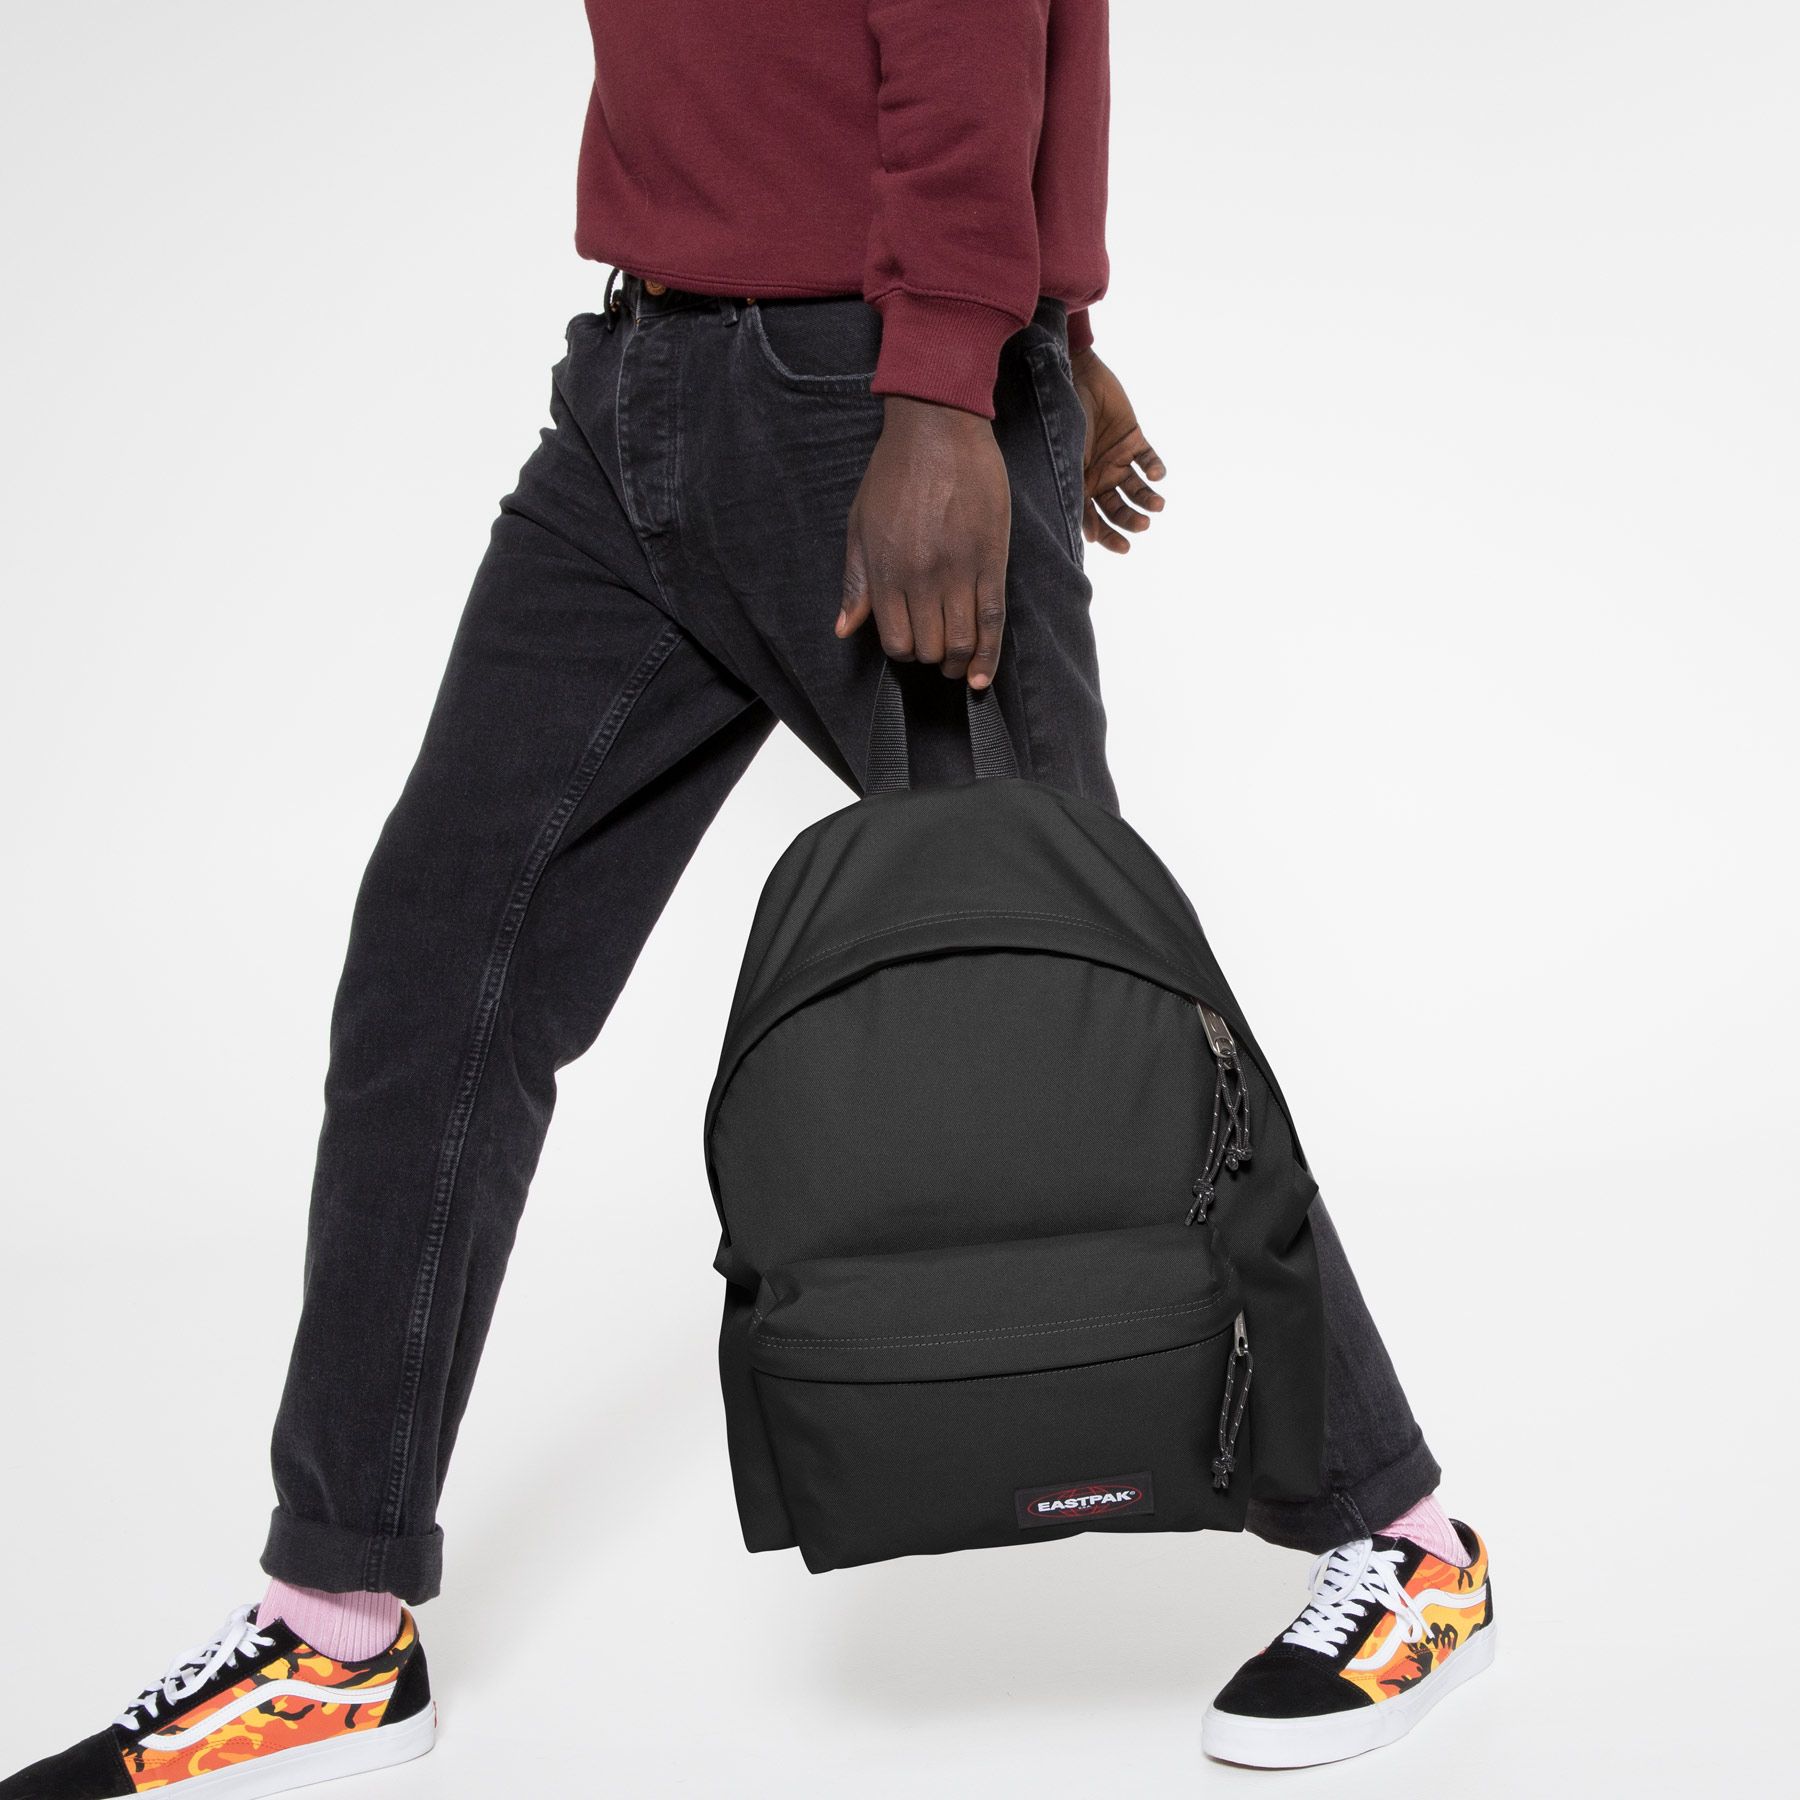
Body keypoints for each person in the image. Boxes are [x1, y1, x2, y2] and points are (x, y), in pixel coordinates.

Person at [0, 3, 1492, 1791]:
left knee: (1075, 976)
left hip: (853, 395)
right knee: (440, 963)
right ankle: (332, 1621)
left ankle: (1403, 1540)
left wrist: (956, 375)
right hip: (637, 386)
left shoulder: (914, 384)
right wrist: (1042, 323)